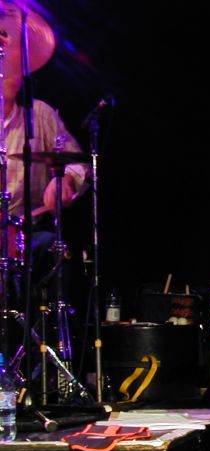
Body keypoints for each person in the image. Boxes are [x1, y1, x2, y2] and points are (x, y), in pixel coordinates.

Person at [0, 2, 89, 289]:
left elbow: (79, 163)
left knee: (54, 248)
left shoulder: (40, 115)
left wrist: (66, 180)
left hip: (23, 236)